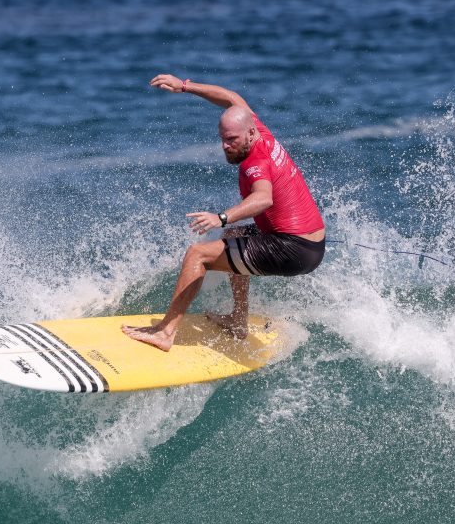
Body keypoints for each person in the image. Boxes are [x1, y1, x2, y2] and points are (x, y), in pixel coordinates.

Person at [122, 74, 326, 351]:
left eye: (232, 139)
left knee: (198, 254)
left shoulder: (255, 162)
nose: (225, 146)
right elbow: (232, 99)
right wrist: (184, 86)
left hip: (292, 248)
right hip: (310, 243)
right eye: (222, 139)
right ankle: (238, 320)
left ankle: (165, 333)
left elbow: (263, 198)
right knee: (235, 235)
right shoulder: (260, 132)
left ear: (250, 133)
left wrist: (220, 217)